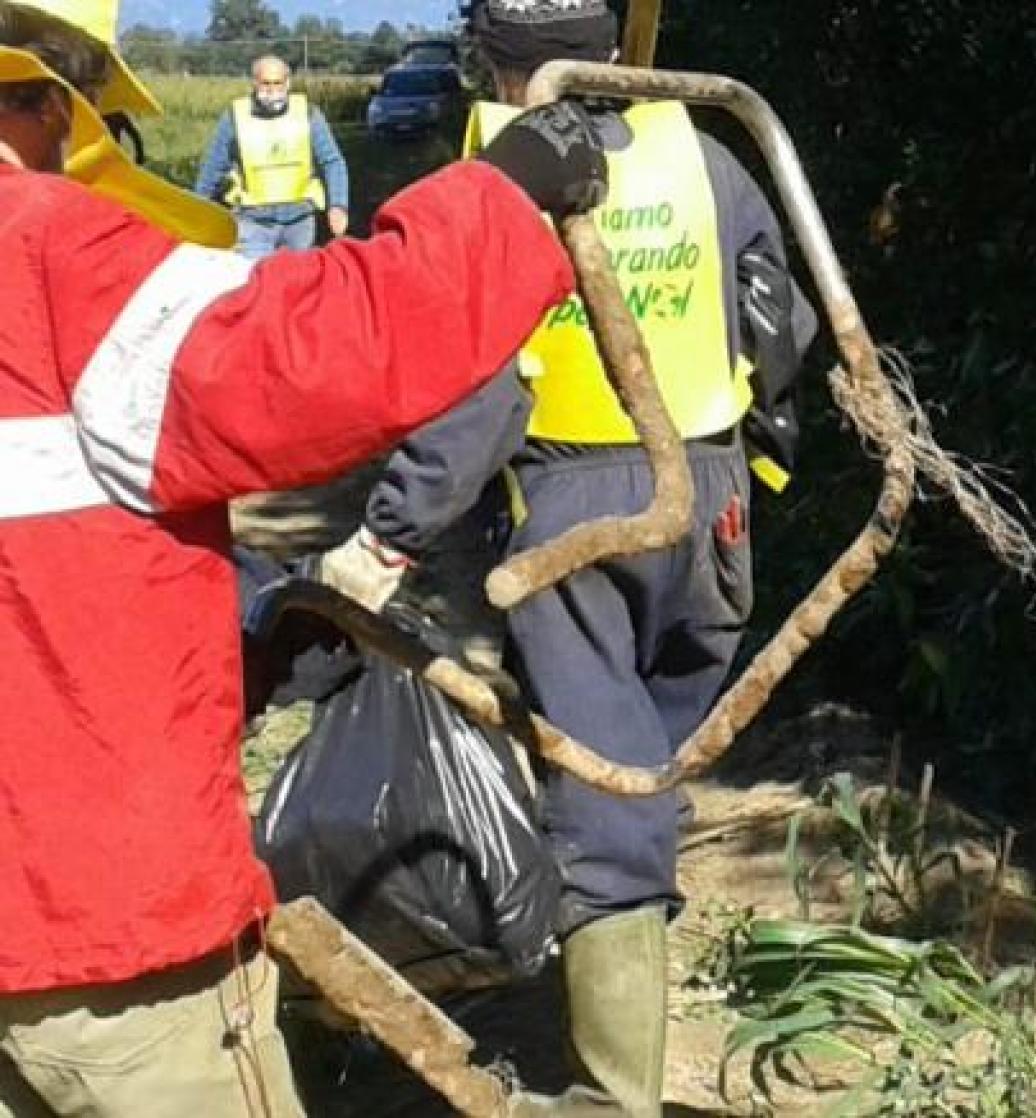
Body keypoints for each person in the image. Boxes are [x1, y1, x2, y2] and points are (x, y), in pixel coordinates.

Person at [0, 0, 608, 1112]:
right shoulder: (39, 243)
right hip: (87, 927)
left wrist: (247, 631)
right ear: (44, 107)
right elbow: (302, 359)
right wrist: (503, 195)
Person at [320, 2, 818, 1113]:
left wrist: (389, 536)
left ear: (494, 64)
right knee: (648, 756)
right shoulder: (705, 151)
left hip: (570, 516)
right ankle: (617, 937)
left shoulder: (499, 180)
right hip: (710, 504)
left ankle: (612, 1094)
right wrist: (757, 467)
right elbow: (776, 322)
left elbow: (479, 393)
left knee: (606, 796)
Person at [194, 54, 350, 258]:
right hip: (253, 221)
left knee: (297, 277)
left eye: (278, 83)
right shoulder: (235, 116)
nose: (272, 90)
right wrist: (197, 211)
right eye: (265, 83)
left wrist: (338, 205)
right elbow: (214, 166)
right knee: (257, 276)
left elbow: (332, 162)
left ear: (288, 83)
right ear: (254, 82)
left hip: (299, 221)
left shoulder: (308, 114)